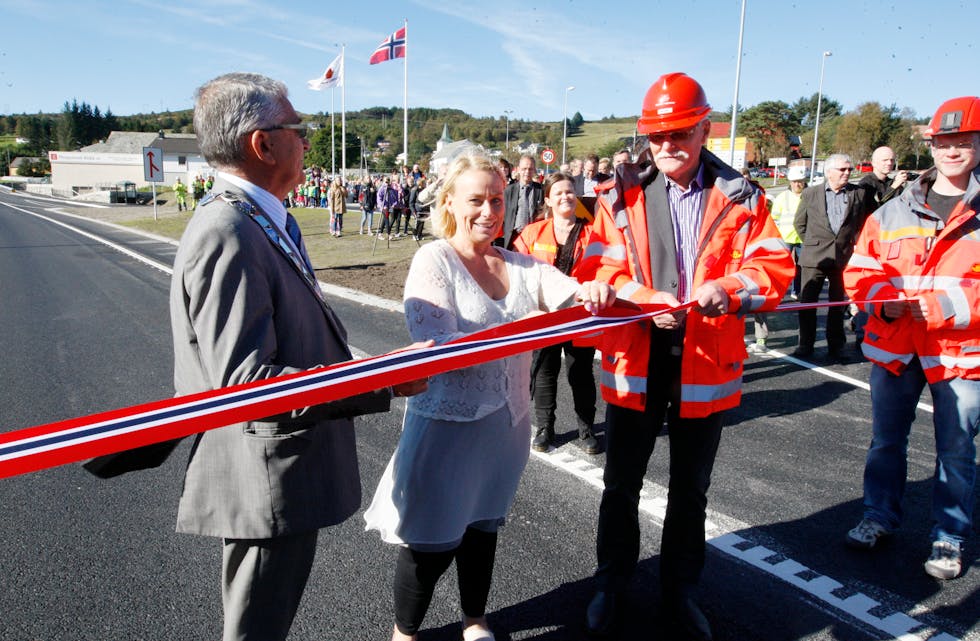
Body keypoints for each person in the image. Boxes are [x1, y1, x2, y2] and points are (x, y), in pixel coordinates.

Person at [170, 72, 428, 641]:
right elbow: (247, 385)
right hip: (263, 475)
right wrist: (384, 381)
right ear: (261, 145)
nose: (308, 141)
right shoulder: (227, 231)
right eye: (298, 129)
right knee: (256, 626)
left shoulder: (263, 216)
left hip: (280, 464)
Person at [364, 153, 615, 641]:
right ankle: (405, 633)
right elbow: (434, 340)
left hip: (506, 428)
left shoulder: (523, 265)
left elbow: (574, 295)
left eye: (496, 199)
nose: (488, 211)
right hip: (446, 430)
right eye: (475, 199)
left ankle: (475, 619)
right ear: (451, 203)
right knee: (429, 543)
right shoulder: (433, 260)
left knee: (482, 528)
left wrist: (597, 293)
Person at [578, 72, 793, 640]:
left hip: (705, 362)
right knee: (619, 485)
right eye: (656, 136)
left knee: (690, 492)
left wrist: (732, 289)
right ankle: (611, 584)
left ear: (703, 129)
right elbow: (596, 270)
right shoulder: (616, 195)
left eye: (679, 134)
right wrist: (646, 300)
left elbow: (772, 268)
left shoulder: (744, 196)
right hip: (636, 360)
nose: (667, 146)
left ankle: (680, 591)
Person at [843, 96, 980, 581]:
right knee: (886, 443)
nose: (953, 150)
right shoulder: (892, 209)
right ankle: (878, 516)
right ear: (932, 145)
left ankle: (950, 536)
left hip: (958, 352)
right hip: (897, 348)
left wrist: (946, 309)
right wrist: (882, 300)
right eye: (945, 141)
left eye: (963, 141)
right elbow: (860, 270)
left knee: (957, 450)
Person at [513, 172, 601, 454]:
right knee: (544, 372)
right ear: (548, 200)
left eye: (570, 192)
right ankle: (545, 428)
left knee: (581, 374)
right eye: (559, 192)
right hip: (545, 317)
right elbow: (516, 272)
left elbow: (607, 270)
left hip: (580, 316)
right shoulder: (532, 233)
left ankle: (586, 429)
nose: (566, 196)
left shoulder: (593, 233)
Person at [792, 153, 876, 360]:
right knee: (808, 304)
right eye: (842, 170)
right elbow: (799, 224)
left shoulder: (858, 194)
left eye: (849, 169)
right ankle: (805, 344)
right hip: (814, 257)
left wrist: (851, 243)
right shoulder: (811, 193)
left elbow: (863, 223)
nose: (847, 173)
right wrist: (814, 243)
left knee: (838, 305)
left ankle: (836, 346)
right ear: (828, 172)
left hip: (843, 257)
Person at [770, 165, 806, 300]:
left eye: (800, 181)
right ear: (790, 182)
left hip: (803, 238)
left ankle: (797, 291)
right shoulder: (782, 197)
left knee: (802, 267)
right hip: (785, 237)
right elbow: (775, 218)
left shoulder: (809, 196)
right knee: (781, 266)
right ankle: (778, 292)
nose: (798, 184)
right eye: (795, 181)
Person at [500, 154, 543, 249]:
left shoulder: (541, 190)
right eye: (524, 169)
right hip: (514, 237)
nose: (527, 172)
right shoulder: (509, 190)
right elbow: (502, 215)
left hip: (534, 238)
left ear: (534, 170)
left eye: (530, 169)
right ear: (518, 169)